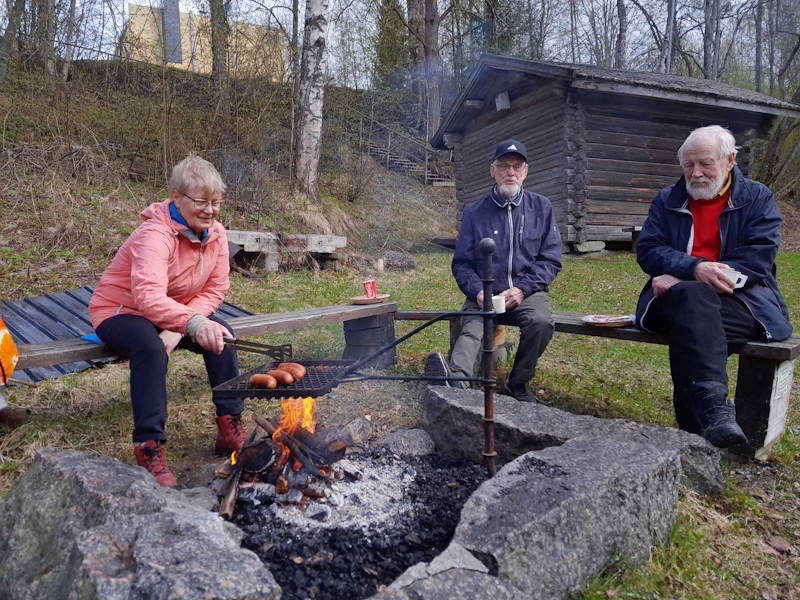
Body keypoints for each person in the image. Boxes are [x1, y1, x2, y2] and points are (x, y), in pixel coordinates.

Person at [89, 154, 246, 487]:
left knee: (223, 335)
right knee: (149, 348)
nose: (210, 210)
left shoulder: (216, 234)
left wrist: (184, 326)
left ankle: (229, 424)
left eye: (216, 202)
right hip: (120, 311)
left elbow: (217, 288)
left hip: (173, 312)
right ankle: (149, 446)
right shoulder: (155, 234)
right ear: (176, 196)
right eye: (201, 202)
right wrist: (188, 323)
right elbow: (146, 297)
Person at [635, 125, 792, 448]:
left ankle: (696, 425)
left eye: (705, 163)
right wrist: (695, 268)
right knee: (693, 300)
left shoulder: (757, 199)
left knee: (692, 323)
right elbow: (649, 250)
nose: (696, 173)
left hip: (742, 303)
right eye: (689, 165)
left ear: (730, 160)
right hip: (670, 301)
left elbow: (757, 259)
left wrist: (688, 275)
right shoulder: (667, 200)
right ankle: (715, 410)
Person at [425, 139, 563, 402]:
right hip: (484, 292)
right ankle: (456, 385)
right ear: (493, 170)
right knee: (474, 326)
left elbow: (551, 259)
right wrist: (478, 292)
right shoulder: (475, 213)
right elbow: (462, 264)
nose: (510, 172)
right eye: (504, 166)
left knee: (541, 323)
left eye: (517, 167)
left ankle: (518, 381)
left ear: (526, 171)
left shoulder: (541, 208)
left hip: (527, 291)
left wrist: (522, 289)